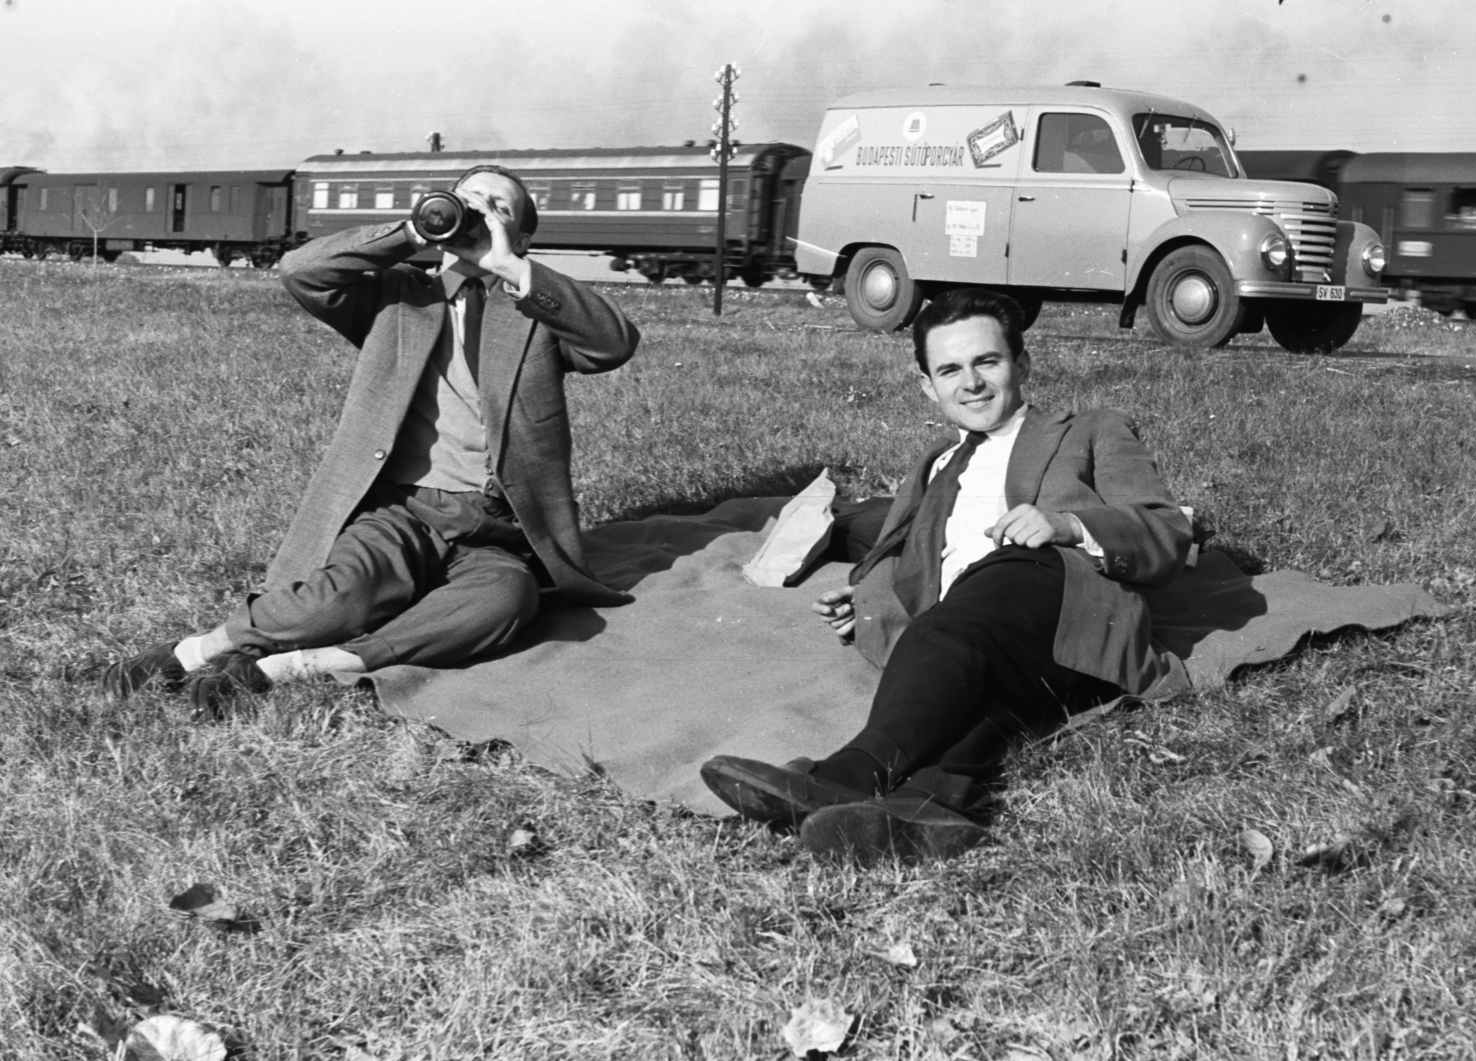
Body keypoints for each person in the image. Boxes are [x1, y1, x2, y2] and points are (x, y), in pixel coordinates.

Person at [101, 165, 640, 715]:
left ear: (521, 237)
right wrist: (414, 232)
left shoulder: (531, 311)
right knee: (341, 596)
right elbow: (300, 270)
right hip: (403, 511)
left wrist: (508, 266)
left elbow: (614, 343)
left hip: (497, 531)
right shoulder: (398, 297)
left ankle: (307, 665)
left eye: (497, 208)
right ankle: (193, 652)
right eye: (467, 200)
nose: (478, 212)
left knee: (505, 602)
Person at [700, 288, 1190, 862]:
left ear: (1021, 364)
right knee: (967, 675)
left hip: (1059, 596)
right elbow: (900, 547)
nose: (972, 383)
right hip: (991, 648)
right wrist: (864, 597)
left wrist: (1065, 525)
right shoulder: (935, 463)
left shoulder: (1089, 430)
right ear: (929, 386)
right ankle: (928, 806)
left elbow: (1166, 529)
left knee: (964, 610)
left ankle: (847, 772)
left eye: (987, 362)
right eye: (950, 370)